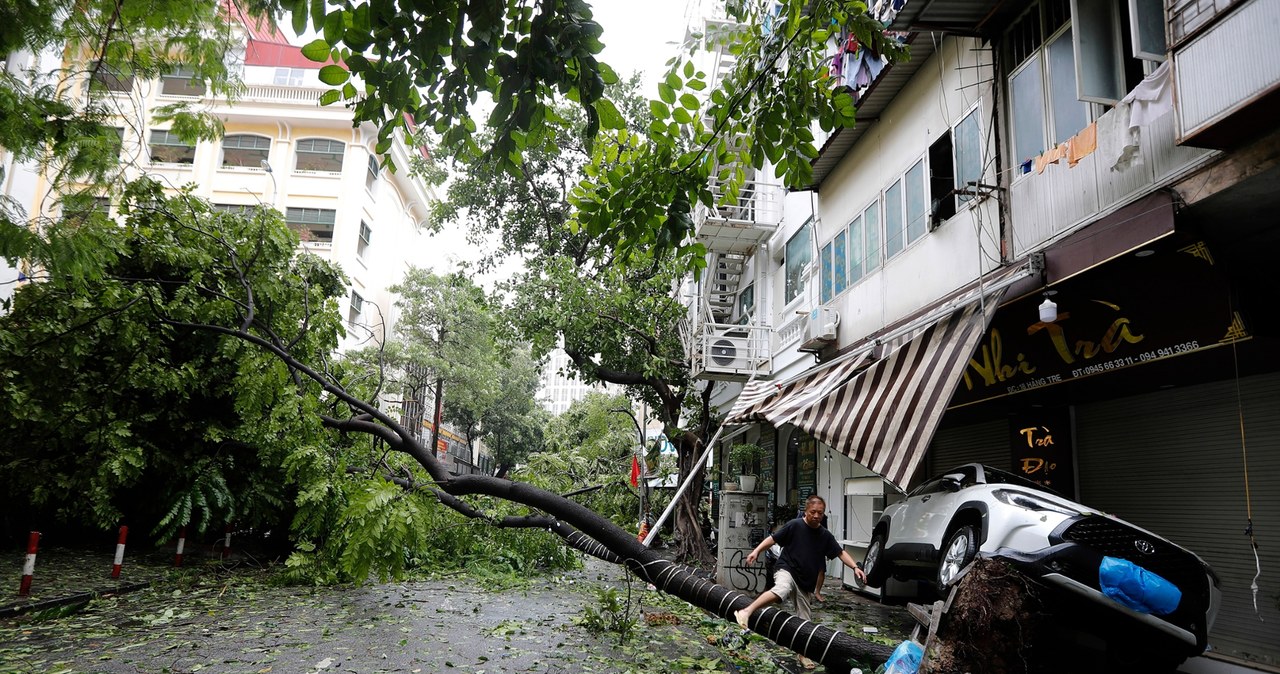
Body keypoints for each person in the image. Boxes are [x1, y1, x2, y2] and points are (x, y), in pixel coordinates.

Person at [735, 495, 867, 669]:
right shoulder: (794, 525)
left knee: (805, 623)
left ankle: (802, 654)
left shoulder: (825, 535)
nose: (816, 516)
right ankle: (746, 611)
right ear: (806, 511)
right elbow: (773, 539)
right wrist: (756, 551)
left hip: (806, 582)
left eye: (820, 513)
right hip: (787, 569)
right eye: (813, 512)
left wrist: (854, 568)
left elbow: (840, 553)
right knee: (782, 588)